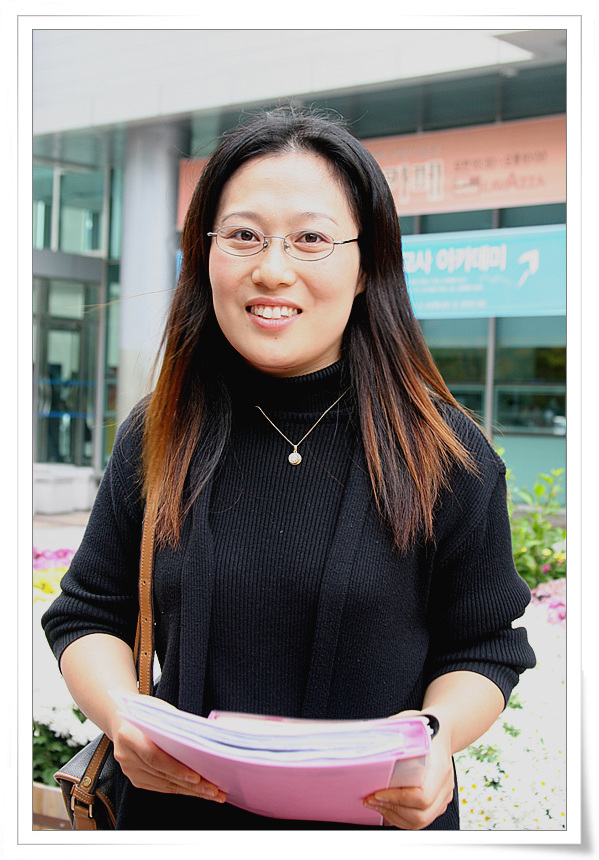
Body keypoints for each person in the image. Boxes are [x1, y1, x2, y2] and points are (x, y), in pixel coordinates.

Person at [42, 106, 536, 831]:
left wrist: (436, 739)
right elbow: (89, 611)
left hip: (377, 829)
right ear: (204, 254)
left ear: (367, 265)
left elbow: (484, 645)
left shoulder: (444, 452)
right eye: (243, 235)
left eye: (311, 239)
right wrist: (123, 715)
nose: (272, 270)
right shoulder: (160, 431)